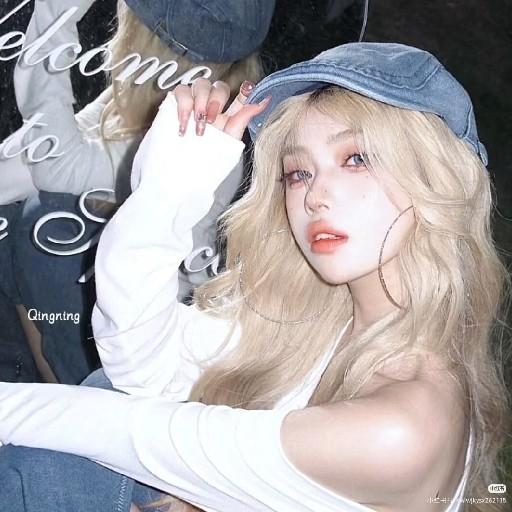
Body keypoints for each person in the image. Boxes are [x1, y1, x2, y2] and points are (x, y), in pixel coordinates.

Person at [0, 42, 510, 512]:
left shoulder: (401, 427)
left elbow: (133, 433)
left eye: (355, 159)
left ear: (433, 178)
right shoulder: (325, 326)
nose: (315, 196)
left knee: (53, 462)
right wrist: (171, 191)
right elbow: (137, 364)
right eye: (298, 172)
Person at [0, 0, 273, 384]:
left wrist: (55, 13)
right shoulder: (169, 100)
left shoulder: (200, 129)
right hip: (133, 315)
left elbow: (53, 162)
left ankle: (60, 391)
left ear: (140, 40)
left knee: (44, 221)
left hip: (152, 345)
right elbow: (33, 160)